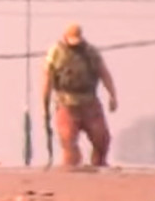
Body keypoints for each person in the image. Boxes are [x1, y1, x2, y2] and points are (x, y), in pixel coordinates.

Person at [43, 23, 118, 166]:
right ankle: (71, 174)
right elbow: (47, 79)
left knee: (101, 140)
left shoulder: (91, 53)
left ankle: (99, 167)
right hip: (66, 104)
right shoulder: (56, 53)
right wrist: (45, 104)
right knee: (68, 142)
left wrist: (112, 96)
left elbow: (104, 73)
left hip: (89, 103)